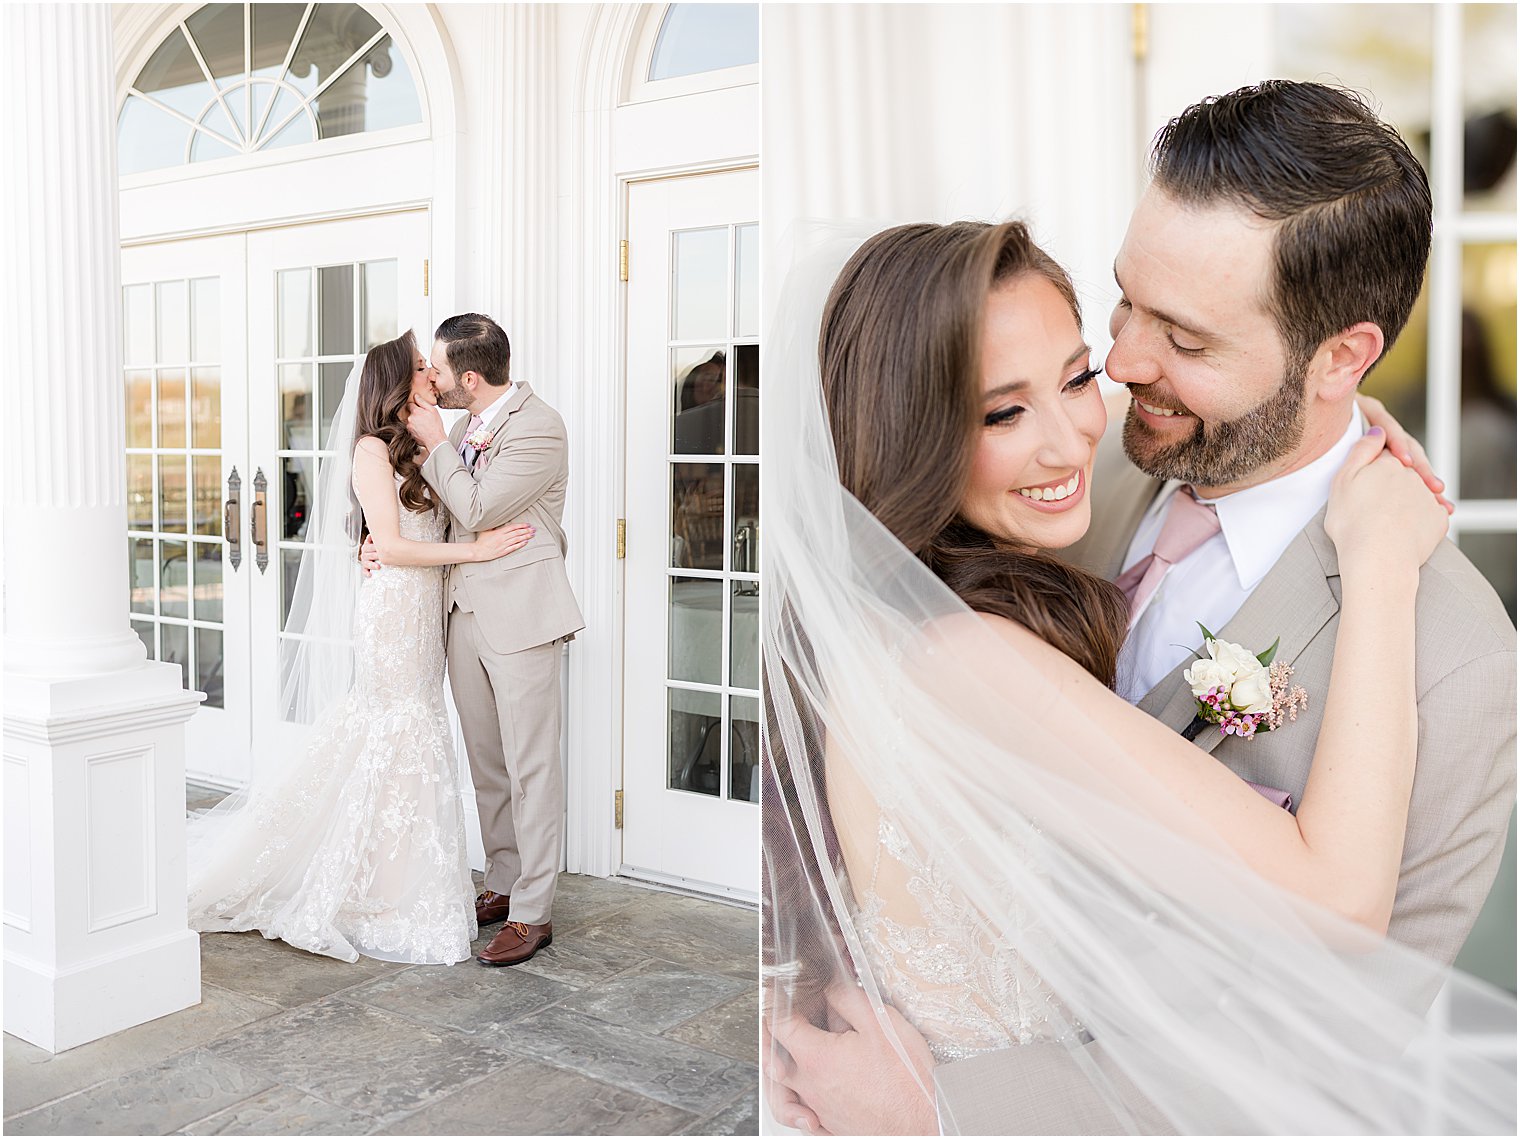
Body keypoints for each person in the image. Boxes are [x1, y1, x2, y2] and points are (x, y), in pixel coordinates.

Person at [763, 81, 1516, 1136]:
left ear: (1340, 358)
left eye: (1185, 337)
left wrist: (954, 1106)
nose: (1116, 366)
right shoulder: (1070, 484)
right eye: (1124, 301)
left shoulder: (1457, 661)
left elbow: (1325, 1044)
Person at [187, 330, 532, 964]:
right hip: (396, 610)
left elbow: (455, 506)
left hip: (428, 609)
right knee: (394, 733)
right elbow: (395, 545)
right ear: (396, 381)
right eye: (423, 367)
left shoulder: (432, 441)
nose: (434, 374)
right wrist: (474, 551)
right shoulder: (370, 450)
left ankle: (398, 877)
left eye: (435, 365)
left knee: (416, 734)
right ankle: (379, 890)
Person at [395, 313, 585, 968]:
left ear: (469, 378)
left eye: (441, 371)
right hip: (461, 612)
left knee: (532, 765)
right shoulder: (461, 427)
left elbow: (477, 509)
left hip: (524, 615)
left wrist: (436, 443)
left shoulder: (539, 426)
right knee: (487, 761)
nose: (435, 380)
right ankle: (503, 881)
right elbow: (440, 511)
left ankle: (535, 910)